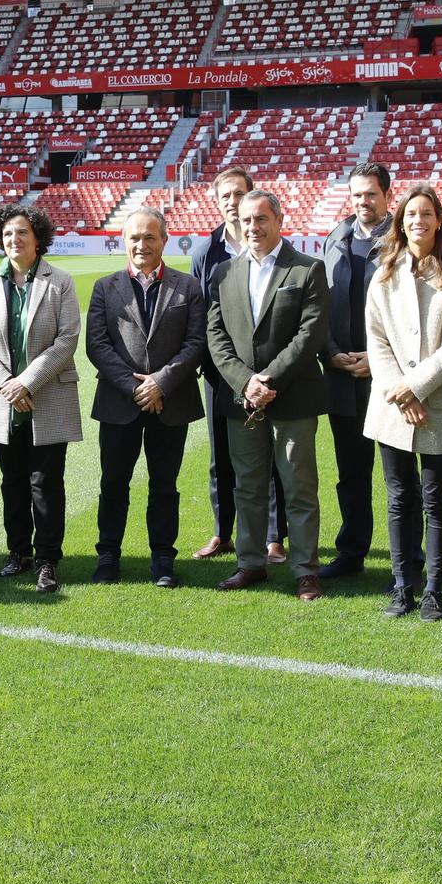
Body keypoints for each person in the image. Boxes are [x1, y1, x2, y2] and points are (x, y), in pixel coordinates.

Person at [204, 188, 330, 601]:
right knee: (248, 487)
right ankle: (250, 563)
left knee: (298, 486)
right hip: (243, 402)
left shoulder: (307, 269)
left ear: (279, 220)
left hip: (291, 398)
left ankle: (305, 569)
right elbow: (216, 335)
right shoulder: (224, 273)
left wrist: (268, 380)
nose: (253, 227)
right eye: (246, 220)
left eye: (261, 219)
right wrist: (246, 383)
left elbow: (309, 334)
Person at [363, 183, 442, 622]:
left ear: (439, 220)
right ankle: (402, 586)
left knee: (434, 500)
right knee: (398, 499)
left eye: (426, 213)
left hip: (436, 406)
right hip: (393, 407)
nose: (418, 221)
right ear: (400, 221)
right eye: (410, 214)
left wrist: (416, 388)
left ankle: (433, 589)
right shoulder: (383, 274)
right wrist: (399, 391)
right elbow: (376, 340)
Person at [85, 208, 206, 587]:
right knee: (113, 483)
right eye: (135, 237)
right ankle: (108, 556)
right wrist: (137, 387)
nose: (142, 244)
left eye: (150, 237)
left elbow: (196, 342)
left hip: (171, 402)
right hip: (120, 402)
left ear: (164, 241)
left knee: (165, 485)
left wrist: (160, 383)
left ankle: (163, 558)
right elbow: (97, 345)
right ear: (124, 241)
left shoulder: (188, 287)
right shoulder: (106, 287)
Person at [0, 202, 82, 594]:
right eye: (7, 234)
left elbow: (67, 339)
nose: (14, 240)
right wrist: (6, 384)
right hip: (3, 401)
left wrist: (27, 383)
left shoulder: (60, 281)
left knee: (46, 483)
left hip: (46, 396)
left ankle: (48, 559)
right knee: (12, 481)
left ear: (38, 240)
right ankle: (18, 551)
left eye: (22, 233)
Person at [187, 166, 289, 564]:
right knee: (221, 455)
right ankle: (222, 532)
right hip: (219, 372)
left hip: (266, 372)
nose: (232, 202)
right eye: (225, 196)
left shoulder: (272, 244)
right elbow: (199, 315)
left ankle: (274, 537)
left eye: (239, 194)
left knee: (272, 453)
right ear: (217, 202)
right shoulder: (204, 252)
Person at [317, 160, 392, 580]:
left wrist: (376, 359)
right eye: (357, 194)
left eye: (371, 194)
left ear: (386, 195)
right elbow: (322, 305)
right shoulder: (336, 237)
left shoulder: (403, 237)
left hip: (390, 377)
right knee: (351, 471)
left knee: (400, 475)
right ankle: (352, 552)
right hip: (342, 375)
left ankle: (409, 560)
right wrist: (329, 352)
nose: (363, 201)